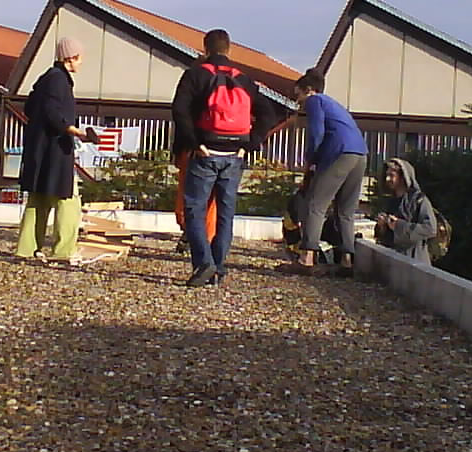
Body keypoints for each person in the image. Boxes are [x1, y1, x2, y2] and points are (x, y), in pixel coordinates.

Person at [171, 28, 282, 288]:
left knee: (195, 209)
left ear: (205, 48)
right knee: (225, 212)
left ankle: (204, 264)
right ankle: (219, 268)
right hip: (235, 155)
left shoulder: (196, 74)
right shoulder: (243, 78)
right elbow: (268, 114)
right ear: (229, 49)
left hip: (206, 151)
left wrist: (195, 143)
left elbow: (179, 110)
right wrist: (250, 144)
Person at [15, 36, 101, 265]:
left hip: (38, 150)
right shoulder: (59, 81)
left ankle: (26, 248)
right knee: (68, 200)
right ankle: (63, 251)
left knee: (38, 198)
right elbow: (53, 113)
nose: (81, 62)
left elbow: (31, 108)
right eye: (80, 58)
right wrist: (75, 131)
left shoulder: (46, 78)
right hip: (56, 151)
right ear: (71, 58)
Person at [292, 68, 368, 277]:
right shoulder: (334, 104)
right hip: (360, 153)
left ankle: (307, 258)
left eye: (298, 96)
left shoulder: (315, 101)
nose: (298, 102)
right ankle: (347, 262)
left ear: (309, 90)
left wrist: (311, 159)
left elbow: (317, 133)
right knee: (345, 210)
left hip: (340, 152)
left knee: (315, 204)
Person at [375, 156, 439, 263]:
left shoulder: (419, 200)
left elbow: (430, 229)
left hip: (415, 260)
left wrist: (398, 225)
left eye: (391, 175)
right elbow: (385, 236)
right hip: (394, 260)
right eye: (387, 175)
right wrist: (382, 226)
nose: (387, 179)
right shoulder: (391, 201)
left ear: (402, 177)